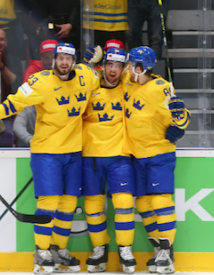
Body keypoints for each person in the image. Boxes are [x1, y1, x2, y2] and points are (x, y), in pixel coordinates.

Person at [0, 42, 101, 274]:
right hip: (47, 152)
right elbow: (14, 102)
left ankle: (59, 249)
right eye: (60, 58)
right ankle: (41, 251)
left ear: (74, 61)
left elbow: (108, 77)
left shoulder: (86, 76)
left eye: (68, 59)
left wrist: (96, 59)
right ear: (53, 59)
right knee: (48, 204)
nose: (63, 63)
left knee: (68, 205)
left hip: (74, 152)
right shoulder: (39, 82)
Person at [123, 46, 190, 274]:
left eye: (130, 64)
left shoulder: (161, 88)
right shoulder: (129, 81)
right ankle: (159, 250)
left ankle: (166, 250)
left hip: (159, 153)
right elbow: (107, 73)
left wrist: (180, 124)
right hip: (137, 155)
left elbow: (182, 113)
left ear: (140, 68)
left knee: (160, 201)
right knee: (142, 203)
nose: (126, 67)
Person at [81, 48, 136, 273]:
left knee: (123, 204)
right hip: (91, 155)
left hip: (119, 155)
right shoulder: (90, 86)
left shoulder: (127, 85)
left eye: (118, 66)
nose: (113, 70)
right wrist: (83, 64)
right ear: (102, 65)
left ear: (123, 68)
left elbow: (148, 76)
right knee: (93, 206)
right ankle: (99, 249)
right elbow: (69, 83)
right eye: (109, 64)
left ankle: (125, 249)